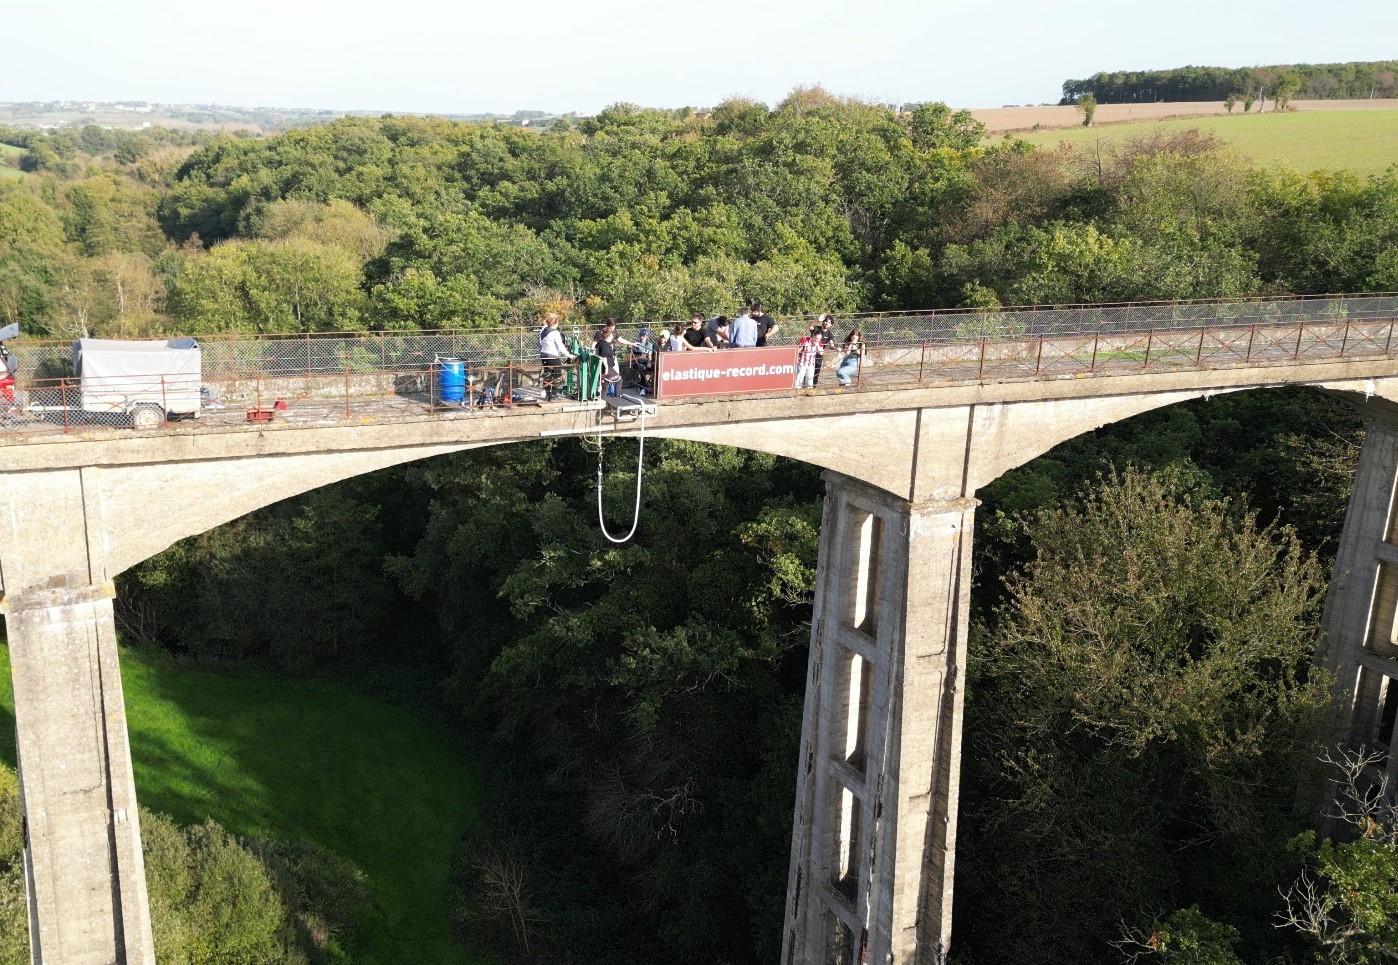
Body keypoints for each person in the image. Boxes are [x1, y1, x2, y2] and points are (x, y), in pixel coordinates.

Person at [538, 312, 575, 401]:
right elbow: (561, 346)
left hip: (544, 356)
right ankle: (553, 395)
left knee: (548, 375)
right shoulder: (555, 332)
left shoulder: (543, 330)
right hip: (552, 357)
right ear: (555, 324)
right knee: (557, 376)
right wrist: (569, 355)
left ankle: (548, 395)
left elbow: (540, 342)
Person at [795, 324, 824, 389]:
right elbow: (798, 350)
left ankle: (808, 390)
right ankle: (798, 389)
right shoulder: (805, 339)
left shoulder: (819, 342)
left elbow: (821, 353)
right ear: (813, 336)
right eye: (816, 338)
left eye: (819, 339)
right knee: (800, 377)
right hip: (802, 362)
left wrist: (817, 345)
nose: (817, 340)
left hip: (811, 363)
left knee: (809, 378)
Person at [813, 314, 836, 385]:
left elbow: (832, 345)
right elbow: (809, 326)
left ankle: (814, 387)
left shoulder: (830, 334)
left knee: (816, 372)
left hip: (819, 355)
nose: (827, 323)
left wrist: (836, 348)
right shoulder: (816, 328)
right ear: (823, 321)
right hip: (811, 353)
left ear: (831, 325)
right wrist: (817, 320)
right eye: (826, 321)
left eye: (829, 322)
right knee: (807, 371)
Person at [0, 342, 17, 411]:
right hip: (5, 376)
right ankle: (10, 406)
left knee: (8, 393)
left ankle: (12, 406)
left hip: (5, 377)